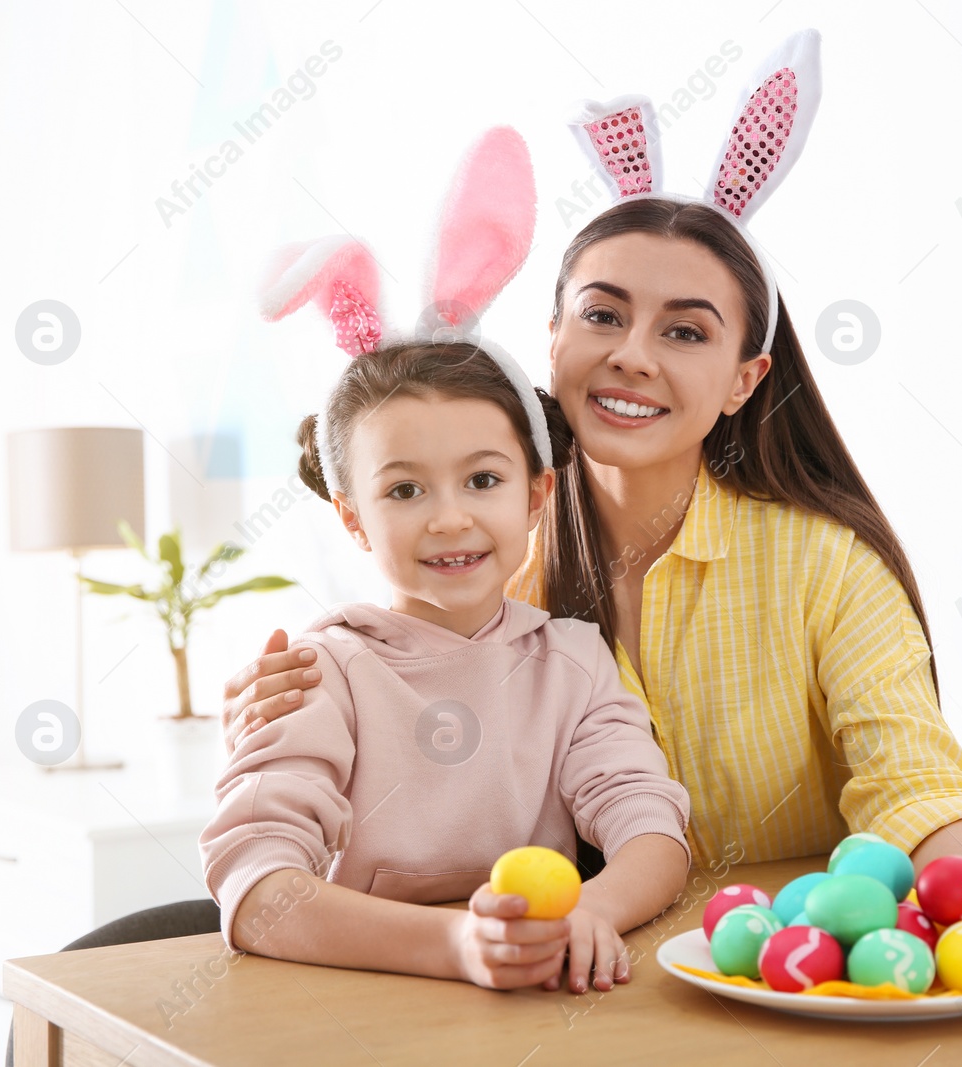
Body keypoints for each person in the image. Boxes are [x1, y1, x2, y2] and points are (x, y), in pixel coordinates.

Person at [222, 33, 962, 989]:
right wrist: (277, 704)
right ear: (554, 332)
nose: (633, 356)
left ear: (745, 378)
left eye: (685, 330)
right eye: (603, 315)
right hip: (558, 992)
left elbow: (909, 777)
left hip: (781, 994)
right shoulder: (483, 560)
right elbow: (344, 765)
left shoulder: (821, 566)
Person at [200, 128, 691, 996]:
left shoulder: (571, 662)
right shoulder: (324, 673)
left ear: (536, 495)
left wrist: (595, 911)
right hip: (360, 1014)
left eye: (483, 478)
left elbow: (651, 829)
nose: (450, 517)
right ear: (351, 517)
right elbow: (258, 889)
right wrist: (456, 946)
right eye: (404, 491)